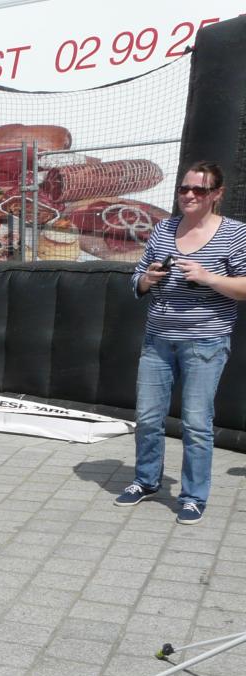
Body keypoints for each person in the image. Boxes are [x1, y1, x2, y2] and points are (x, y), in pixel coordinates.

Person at [115, 161, 246, 525]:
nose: (188, 195)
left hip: (205, 343)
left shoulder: (235, 234)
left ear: (217, 194)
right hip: (157, 340)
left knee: (196, 423)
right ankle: (145, 481)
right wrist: (148, 279)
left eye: (199, 190)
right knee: (148, 417)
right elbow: (138, 277)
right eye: (183, 189)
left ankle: (192, 496)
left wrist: (207, 277)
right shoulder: (163, 229)